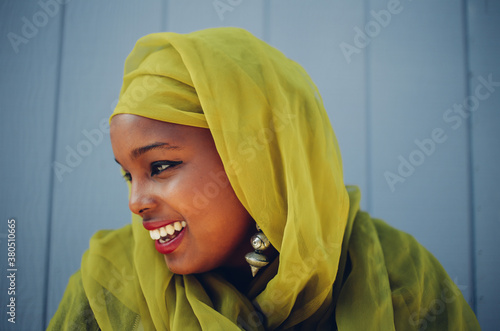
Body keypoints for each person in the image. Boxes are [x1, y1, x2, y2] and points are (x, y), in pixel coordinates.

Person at [48, 27, 480, 330]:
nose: (135, 201)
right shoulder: (110, 289)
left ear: (255, 157)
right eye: (128, 175)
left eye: (159, 167)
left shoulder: (398, 279)